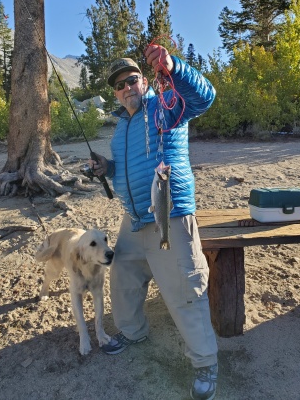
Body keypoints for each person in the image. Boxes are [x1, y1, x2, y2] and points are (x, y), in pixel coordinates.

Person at [90, 44, 218, 400]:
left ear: (144, 81)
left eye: (132, 80)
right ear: (114, 93)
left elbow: (204, 98)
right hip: (134, 219)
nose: (127, 88)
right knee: (123, 278)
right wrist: (107, 168)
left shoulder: (166, 104)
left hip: (170, 214)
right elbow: (126, 165)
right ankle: (133, 333)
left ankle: (205, 361)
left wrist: (174, 67)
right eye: (119, 85)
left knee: (184, 289)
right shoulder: (120, 127)